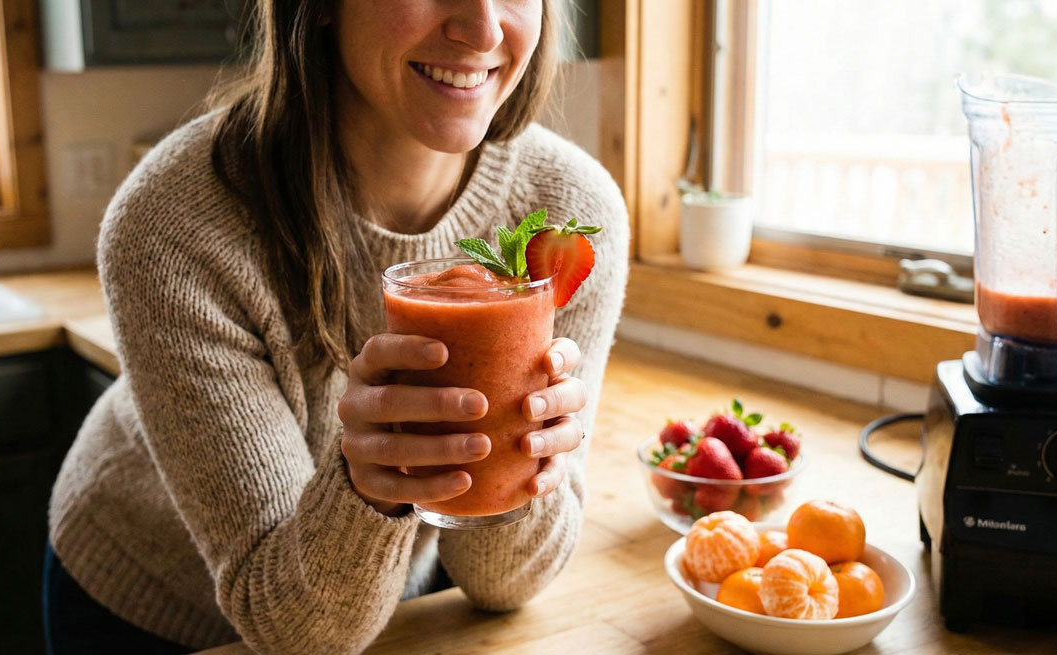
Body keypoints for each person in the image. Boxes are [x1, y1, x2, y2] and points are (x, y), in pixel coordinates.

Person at [43, 1, 629, 653]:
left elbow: (503, 584)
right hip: (150, 607)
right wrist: (369, 485)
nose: (484, 29)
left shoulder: (563, 219)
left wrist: (527, 464)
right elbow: (294, 628)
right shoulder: (174, 225)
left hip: (389, 606)